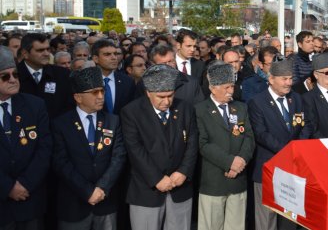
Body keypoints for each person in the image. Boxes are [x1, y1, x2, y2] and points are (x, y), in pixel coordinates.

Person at [121, 65, 198, 230]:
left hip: (180, 189)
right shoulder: (131, 112)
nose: (167, 101)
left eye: (170, 95)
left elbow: (192, 142)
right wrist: (156, 178)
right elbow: (135, 150)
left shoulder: (185, 108)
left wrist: (184, 171)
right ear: (148, 92)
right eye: (161, 97)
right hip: (146, 192)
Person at [51, 67, 127, 230]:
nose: (100, 96)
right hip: (73, 204)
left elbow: (118, 158)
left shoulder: (113, 121)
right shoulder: (61, 124)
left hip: (105, 201)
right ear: (78, 97)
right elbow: (61, 162)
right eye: (94, 92)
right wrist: (87, 191)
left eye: (102, 91)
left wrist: (101, 188)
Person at [195, 63, 254, 230]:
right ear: (213, 88)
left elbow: (249, 137)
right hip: (213, 181)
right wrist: (229, 162)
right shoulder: (200, 110)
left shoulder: (240, 107)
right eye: (226, 87)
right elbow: (203, 143)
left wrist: (241, 161)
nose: (231, 91)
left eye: (232, 86)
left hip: (238, 180)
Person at [0, 46, 52, 230]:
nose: (13, 80)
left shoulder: (35, 105)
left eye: (15, 74)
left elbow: (44, 149)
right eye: (5, 76)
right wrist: (8, 187)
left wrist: (25, 184)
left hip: (30, 200)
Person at [248, 60, 303, 230]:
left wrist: (298, 148)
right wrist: (287, 150)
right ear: (271, 79)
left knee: (290, 216)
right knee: (266, 217)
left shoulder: (296, 98)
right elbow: (261, 134)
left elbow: (304, 125)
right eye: (284, 79)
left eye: (290, 78)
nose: (289, 83)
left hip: (292, 167)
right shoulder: (257, 102)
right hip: (268, 166)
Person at [17, 33, 74, 119]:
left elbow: (70, 106)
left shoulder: (63, 74)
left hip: (55, 130)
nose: (46, 53)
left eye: (48, 49)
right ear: (25, 53)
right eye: (40, 50)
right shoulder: (12, 76)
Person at [91, 39, 135, 115]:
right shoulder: (87, 82)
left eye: (115, 54)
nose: (114, 57)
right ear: (96, 59)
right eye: (107, 54)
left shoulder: (128, 81)